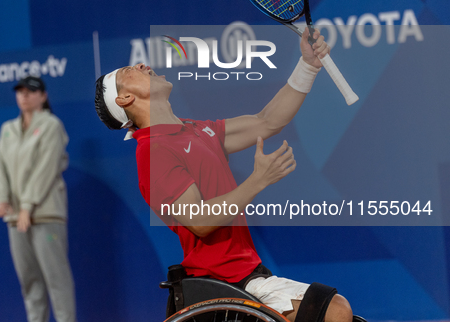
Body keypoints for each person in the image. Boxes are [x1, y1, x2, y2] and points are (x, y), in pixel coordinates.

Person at [94, 28, 354, 321]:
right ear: (125, 98)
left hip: (244, 271)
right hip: (223, 281)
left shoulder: (194, 130)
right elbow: (200, 221)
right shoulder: (153, 152)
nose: (141, 65)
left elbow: (266, 121)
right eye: (130, 71)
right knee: (336, 312)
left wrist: (307, 65)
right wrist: (258, 181)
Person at [0, 76, 76, 322]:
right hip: (16, 217)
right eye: (20, 91)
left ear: (43, 96)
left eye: (30, 91)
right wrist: (1, 197)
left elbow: (46, 169)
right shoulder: (7, 129)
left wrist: (27, 206)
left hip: (45, 213)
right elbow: (0, 167)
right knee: (29, 282)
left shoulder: (51, 125)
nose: (24, 95)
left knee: (56, 279)